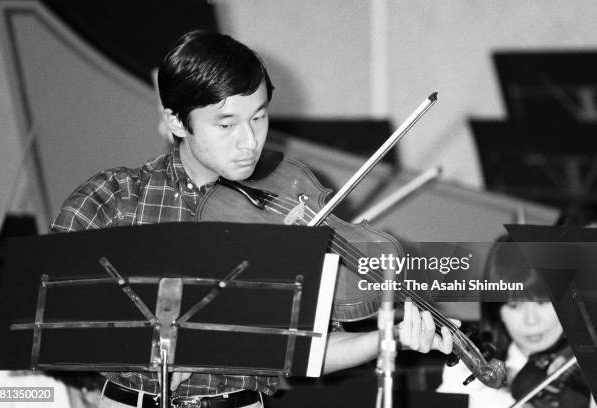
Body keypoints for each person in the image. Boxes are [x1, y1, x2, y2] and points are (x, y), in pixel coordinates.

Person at [51, 30, 454, 408]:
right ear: (176, 121)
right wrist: (154, 349)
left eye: (258, 118)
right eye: (226, 124)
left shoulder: (289, 202)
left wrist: (388, 337)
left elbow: (308, 350)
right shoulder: (116, 198)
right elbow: (46, 317)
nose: (249, 142)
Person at [437, 236, 592, 408]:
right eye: (514, 306)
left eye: (543, 302)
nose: (531, 320)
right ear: (497, 311)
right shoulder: (464, 375)